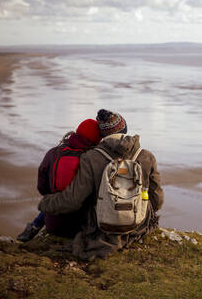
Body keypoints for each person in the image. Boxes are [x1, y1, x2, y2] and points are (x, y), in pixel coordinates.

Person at [38, 109, 163, 260]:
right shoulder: (146, 156)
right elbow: (157, 201)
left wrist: (45, 205)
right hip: (138, 224)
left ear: (102, 135)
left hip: (103, 227)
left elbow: (73, 200)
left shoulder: (91, 158)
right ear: (125, 129)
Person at [17, 119, 102, 242]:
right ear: (97, 140)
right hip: (82, 227)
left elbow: (42, 188)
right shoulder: (92, 160)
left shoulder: (53, 153)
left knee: (55, 196)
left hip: (52, 224)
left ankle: (35, 226)